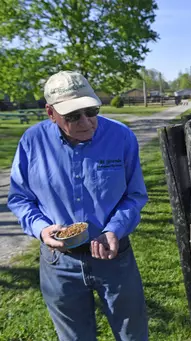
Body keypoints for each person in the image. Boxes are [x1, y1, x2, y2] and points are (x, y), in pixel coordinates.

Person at [7, 70, 149, 341]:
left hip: (114, 257)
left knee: (133, 335)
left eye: (91, 110)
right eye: (73, 116)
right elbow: (20, 198)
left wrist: (114, 229)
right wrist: (41, 230)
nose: (86, 122)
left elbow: (135, 195)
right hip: (59, 262)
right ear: (50, 113)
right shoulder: (32, 142)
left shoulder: (121, 137)